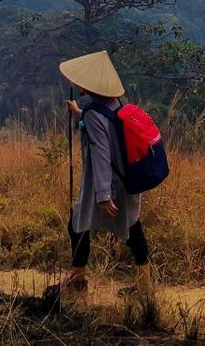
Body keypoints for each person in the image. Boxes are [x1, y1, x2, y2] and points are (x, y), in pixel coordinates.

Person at [57, 50, 152, 297]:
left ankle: (77, 281)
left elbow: (100, 152)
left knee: (77, 224)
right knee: (132, 228)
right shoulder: (116, 104)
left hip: (106, 183)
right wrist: (79, 113)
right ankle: (145, 285)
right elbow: (103, 127)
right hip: (127, 178)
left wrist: (102, 194)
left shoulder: (93, 113)